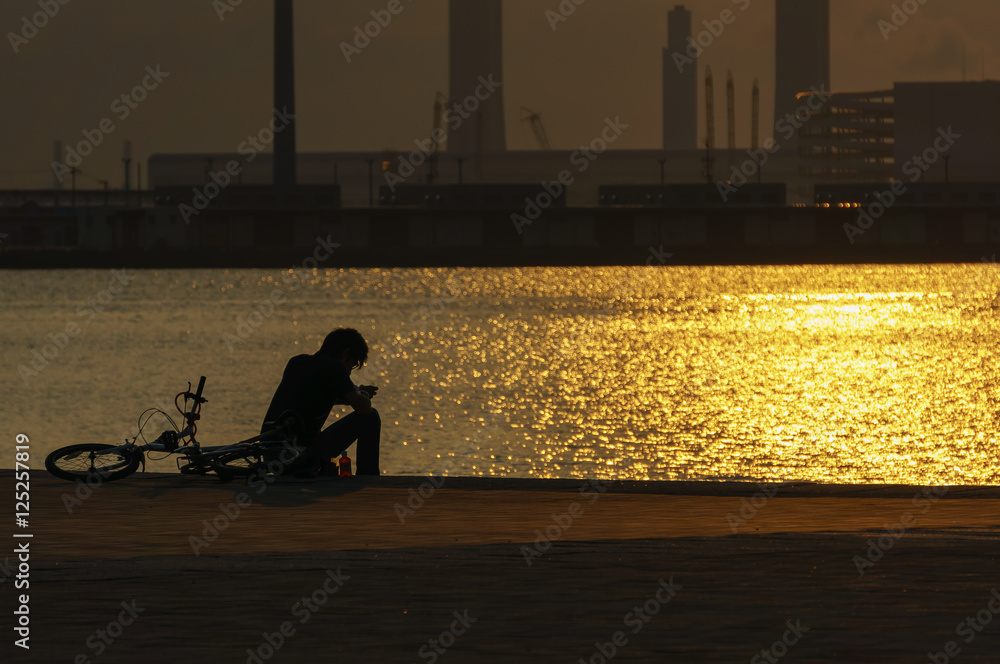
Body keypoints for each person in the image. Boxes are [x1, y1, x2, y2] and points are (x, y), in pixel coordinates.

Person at [261, 328, 381, 476]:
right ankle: (367, 476)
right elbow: (364, 409)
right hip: (299, 459)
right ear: (345, 354)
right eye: (352, 365)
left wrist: (349, 398)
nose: (349, 372)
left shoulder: (296, 362)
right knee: (371, 417)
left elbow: (314, 397)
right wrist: (362, 394)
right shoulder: (335, 369)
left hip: (269, 456)